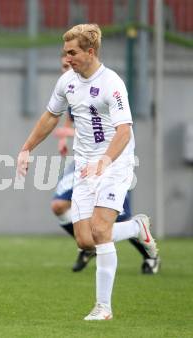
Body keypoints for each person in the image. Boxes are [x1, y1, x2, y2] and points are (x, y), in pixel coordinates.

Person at [17, 24, 159, 320]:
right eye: (65, 52)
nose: (66, 58)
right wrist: (27, 148)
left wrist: (106, 161)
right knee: (84, 240)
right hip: (84, 165)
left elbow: (123, 131)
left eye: (72, 52)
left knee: (100, 230)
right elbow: (50, 116)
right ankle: (136, 228)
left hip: (115, 163)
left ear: (90, 52)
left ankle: (103, 308)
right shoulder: (67, 82)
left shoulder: (112, 83)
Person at [52, 54, 161, 274]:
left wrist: (73, 136)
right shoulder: (71, 87)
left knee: (114, 221)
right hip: (83, 160)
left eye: (69, 63)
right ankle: (89, 246)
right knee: (60, 206)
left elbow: (116, 129)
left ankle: (149, 254)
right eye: (63, 66)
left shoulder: (106, 84)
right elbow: (70, 118)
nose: (67, 68)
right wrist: (64, 138)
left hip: (112, 159)